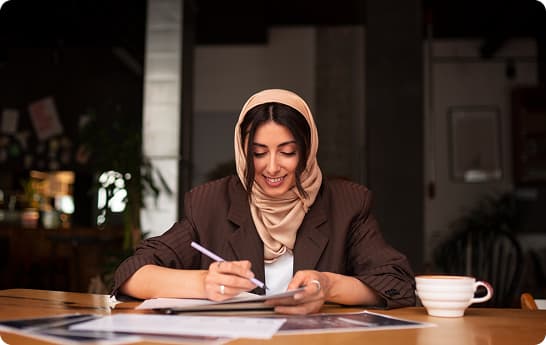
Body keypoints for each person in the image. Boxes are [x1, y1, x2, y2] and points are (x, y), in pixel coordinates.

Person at [112, 88, 416, 315]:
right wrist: (204, 282)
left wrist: (328, 286)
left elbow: (398, 284)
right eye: (258, 153)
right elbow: (132, 273)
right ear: (243, 152)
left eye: (287, 152)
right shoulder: (210, 202)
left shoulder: (347, 203)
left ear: (308, 151)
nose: (272, 167)